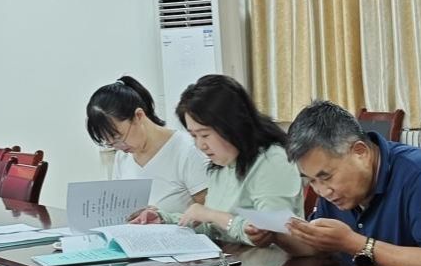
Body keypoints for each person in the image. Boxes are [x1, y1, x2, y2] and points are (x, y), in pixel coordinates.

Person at [248, 100, 421, 266]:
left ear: (360, 152)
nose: (322, 191)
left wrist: (354, 243)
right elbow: (317, 247)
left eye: (326, 177)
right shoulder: (334, 190)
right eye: (311, 181)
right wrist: (276, 235)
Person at [129, 75, 299, 245]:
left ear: (232, 125)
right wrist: (164, 219)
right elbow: (213, 228)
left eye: (205, 135)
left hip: (273, 260)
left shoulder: (271, 159)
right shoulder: (221, 166)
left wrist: (210, 214)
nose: (200, 145)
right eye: (194, 136)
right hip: (234, 257)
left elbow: (269, 231)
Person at [86, 76, 208, 213]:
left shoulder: (187, 149)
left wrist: (164, 218)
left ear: (138, 116)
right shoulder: (122, 158)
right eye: (110, 143)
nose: (118, 147)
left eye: (118, 137)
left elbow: (210, 214)